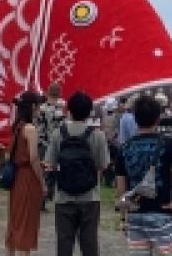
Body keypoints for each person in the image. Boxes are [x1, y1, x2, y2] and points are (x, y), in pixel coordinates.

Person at [116, 95, 172, 256]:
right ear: (158, 118)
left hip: (135, 214)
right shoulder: (168, 142)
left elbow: (121, 186)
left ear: (135, 119)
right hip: (161, 212)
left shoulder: (124, 148)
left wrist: (124, 218)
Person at [45, 91, 110, 256]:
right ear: (89, 112)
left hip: (64, 197)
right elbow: (103, 165)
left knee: (64, 244)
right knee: (89, 244)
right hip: (90, 197)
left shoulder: (58, 133)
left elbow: (49, 164)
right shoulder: (97, 135)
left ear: (69, 110)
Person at [5, 92, 46, 256]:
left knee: (15, 221)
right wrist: (42, 182)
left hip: (16, 177)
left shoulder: (17, 126)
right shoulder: (30, 129)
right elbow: (34, 158)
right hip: (27, 178)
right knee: (26, 223)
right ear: (33, 107)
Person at [36, 82, 66, 209]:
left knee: (43, 170)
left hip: (43, 142)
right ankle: (49, 195)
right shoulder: (61, 106)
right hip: (57, 143)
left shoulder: (41, 108)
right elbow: (63, 126)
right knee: (54, 171)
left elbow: (38, 126)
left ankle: (41, 199)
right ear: (59, 91)